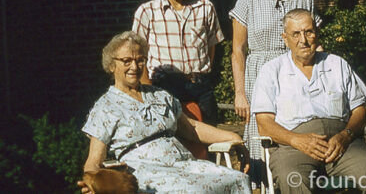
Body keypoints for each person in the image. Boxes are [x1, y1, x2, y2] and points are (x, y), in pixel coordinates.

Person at [78, 31, 251, 194]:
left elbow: (191, 128)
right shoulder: (106, 107)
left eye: (140, 60)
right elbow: (94, 159)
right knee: (194, 191)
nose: (134, 66)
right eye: (126, 61)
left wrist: (232, 137)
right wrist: (92, 181)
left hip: (184, 164)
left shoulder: (159, 95)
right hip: (146, 172)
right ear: (111, 65)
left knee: (237, 179)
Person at [252, 9, 366, 194]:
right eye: (296, 34)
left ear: (316, 34)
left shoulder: (337, 64)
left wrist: (346, 135)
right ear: (285, 39)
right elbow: (264, 124)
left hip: (341, 144)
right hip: (294, 146)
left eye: (308, 32)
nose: (303, 40)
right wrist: (296, 140)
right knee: (292, 178)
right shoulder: (271, 71)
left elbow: (359, 111)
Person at [230, 0, 321, 164]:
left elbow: (315, 42)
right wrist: (240, 93)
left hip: (296, 70)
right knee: (262, 127)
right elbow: (238, 50)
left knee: (299, 122)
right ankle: (264, 181)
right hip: (260, 72)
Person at [132, 0, 224, 124]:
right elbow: (137, 54)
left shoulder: (205, 7)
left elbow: (212, 45)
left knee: (210, 137)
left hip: (200, 85)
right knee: (172, 136)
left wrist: (204, 74)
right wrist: (146, 89)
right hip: (164, 85)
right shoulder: (147, 11)